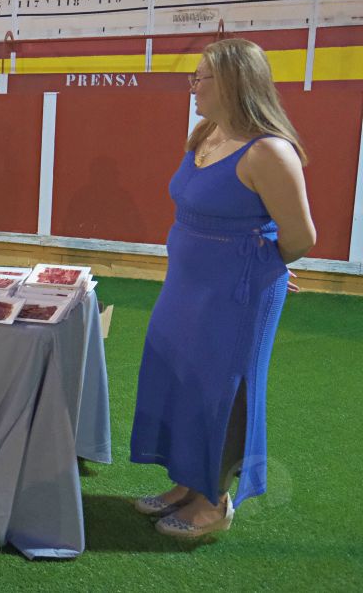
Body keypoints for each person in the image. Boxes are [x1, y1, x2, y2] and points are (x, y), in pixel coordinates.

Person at [130, 38, 316, 538]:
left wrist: (259, 263)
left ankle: (214, 502)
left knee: (223, 389)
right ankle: (188, 482)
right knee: (179, 376)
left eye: (201, 77)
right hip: (188, 284)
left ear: (233, 82)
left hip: (236, 294)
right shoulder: (207, 133)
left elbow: (299, 237)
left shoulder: (270, 151)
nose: (192, 85)